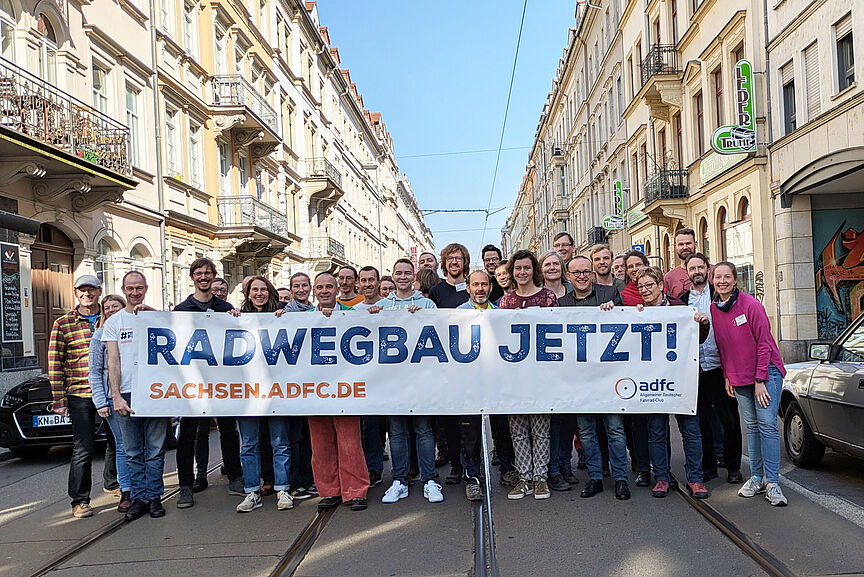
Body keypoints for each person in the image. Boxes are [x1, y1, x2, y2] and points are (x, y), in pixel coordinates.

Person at [701, 262, 788, 506]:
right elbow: (723, 345)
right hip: (738, 376)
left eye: (727, 277)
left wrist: (761, 379)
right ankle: (757, 477)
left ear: (735, 280)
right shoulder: (714, 308)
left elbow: (763, 343)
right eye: (717, 277)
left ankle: (773, 483)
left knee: (767, 425)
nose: (722, 281)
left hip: (765, 372)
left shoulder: (751, 305)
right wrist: (728, 375)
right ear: (713, 281)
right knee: (751, 425)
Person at [172, 258, 244, 508]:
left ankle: (235, 477)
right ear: (192, 277)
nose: (203, 277)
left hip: (221, 383)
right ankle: (185, 486)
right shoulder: (181, 310)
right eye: (199, 273)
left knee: (228, 429)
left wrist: (236, 318)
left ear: (214, 276)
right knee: (188, 434)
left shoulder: (225, 308)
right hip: (192, 384)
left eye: (208, 273)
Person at [371, 259, 442, 504]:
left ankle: (429, 480)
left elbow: (438, 331)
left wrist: (424, 316)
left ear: (415, 277)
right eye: (398, 273)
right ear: (392, 276)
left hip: (421, 381)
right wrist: (371, 317)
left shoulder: (427, 303)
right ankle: (399, 480)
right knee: (397, 432)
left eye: (407, 273)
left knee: (423, 430)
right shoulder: (380, 305)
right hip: (393, 382)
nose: (402, 277)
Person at [634, 267, 709, 499]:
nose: (645, 290)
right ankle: (662, 478)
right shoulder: (637, 312)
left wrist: (702, 323)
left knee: (691, 430)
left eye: (649, 285)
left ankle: (695, 478)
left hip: (682, 379)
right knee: (656, 431)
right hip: (653, 381)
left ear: (660, 286)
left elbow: (699, 338)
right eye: (641, 286)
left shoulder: (680, 309)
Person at [560, 257, 630, 500]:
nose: (581, 276)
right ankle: (595, 478)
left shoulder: (609, 293)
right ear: (568, 276)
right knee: (587, 431)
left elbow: (627, 324)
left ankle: (620, 478)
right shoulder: (561, 304)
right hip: (580, 379)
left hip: (609, 376)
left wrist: (615, 312)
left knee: (615, 429)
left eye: (585, 272)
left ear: (592, 274)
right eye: (575, 273)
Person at [106, 271, 169, 521]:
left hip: (156, 393)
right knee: (132, 451)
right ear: (123, 289)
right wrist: (116, 396)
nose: (134, 293)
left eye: (139, 288)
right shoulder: (114, 322)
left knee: (155, 450)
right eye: (130, 288)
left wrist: (153, 313)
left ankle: (154, 496)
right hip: (128, 394)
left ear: (146, 288)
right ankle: (139, 497)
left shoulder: (157, 316)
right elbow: (113, 361)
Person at [48, 274, 109, 519]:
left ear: (99, 291)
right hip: (80, 393)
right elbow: (55, 363)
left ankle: (112, 483)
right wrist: (59, 400)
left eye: (91, 290)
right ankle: (80, 500)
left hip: (108, 391)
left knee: (117, 443)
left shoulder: (109, 319)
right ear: (76, 293)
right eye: (82, 291)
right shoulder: (63, 324)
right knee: (83, 447)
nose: (87, 294)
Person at [499, 250, 558, 500]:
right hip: (514, 377)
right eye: (517, 268)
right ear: (512, 272)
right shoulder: (506, 302)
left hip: (541, 376)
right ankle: (524, 478)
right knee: (518, 430)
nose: (522, 272)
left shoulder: (547, 297)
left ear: (534, 270)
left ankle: (541, 478)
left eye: (526, 268)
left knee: (541, 429)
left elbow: (555, 333)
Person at [307, 272, 369, 511]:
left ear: (337, 290)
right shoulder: (301, 319)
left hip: (345, 388)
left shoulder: (352, 314)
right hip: (314, 389)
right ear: (315, 291)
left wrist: (373, 316)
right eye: (320, 287)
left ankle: (355, 491)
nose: (324, 291)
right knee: (320, 443)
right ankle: (329, 490)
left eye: (328, 287)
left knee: (349, 441)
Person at [233, 276, 295, 513]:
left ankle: (282, 489)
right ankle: (252, 492)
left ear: (269, 292)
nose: (259, 293)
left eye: (263, 289)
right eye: (254, 290)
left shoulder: (283, 315)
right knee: (249, 444)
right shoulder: (236, 318)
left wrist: (284, 318)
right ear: (248, 294)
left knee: (280, 442)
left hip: (276, 392)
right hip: (247, 394)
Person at [681, 254, 743, 485]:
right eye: (692, 268)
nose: (697, 271)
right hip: (697, 370)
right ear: (686, 272)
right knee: (703, 421)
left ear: (708, 270)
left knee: (730, 420)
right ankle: (708, 467)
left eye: (701, 267)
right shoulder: (680, 301)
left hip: (721, 366)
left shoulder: (722, 296)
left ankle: (733, 467)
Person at [428, 243, 471, 484]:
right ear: (444, 263)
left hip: (471, 364)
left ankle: (471, 464)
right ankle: (455, 464)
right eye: (450, 258)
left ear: (465, 261)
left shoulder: (473, 288)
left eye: (459, 258)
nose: (455, 262)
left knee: (469, 421)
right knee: (448, 421)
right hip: (444, 366)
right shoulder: (436, 291)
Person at [455, 270, 499, 501]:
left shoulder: (500, 313)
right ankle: (472, 477)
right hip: (469, 384)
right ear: (468, 288)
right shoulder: (457, 314)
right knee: (470, 434)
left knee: (501, 429)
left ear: (490, 287)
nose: (480, 289)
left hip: (495, 382)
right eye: (476, 285)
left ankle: (506, 470)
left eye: (484, 284)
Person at [89, 294, 132, 514]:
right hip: (111, 398)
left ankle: (141, 488)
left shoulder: (134, 330)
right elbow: (95, 372)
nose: (111, 310)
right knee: (123, 446)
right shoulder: (99, 336)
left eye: (116, 306)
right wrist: (100, 401)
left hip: (138, 394)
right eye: (107, 308)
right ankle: (126, 490)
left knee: (139, 444)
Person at [352, 266, 386, 488]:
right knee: (366, 427)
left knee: (383, 427)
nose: (368, 284)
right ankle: (367, 468)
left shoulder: (390, 307)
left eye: (371, 280)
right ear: (359, 284)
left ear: (377, 282)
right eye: (363, 280)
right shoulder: (352, 312)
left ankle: (377, 469)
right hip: (361, 378)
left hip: (387, 378)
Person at [663, 228, 698, 299]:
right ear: (676, 247)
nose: (685, 247)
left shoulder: (711, 271)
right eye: (681, 244)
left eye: (688, 243)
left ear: (695, 244)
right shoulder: (669, 278)